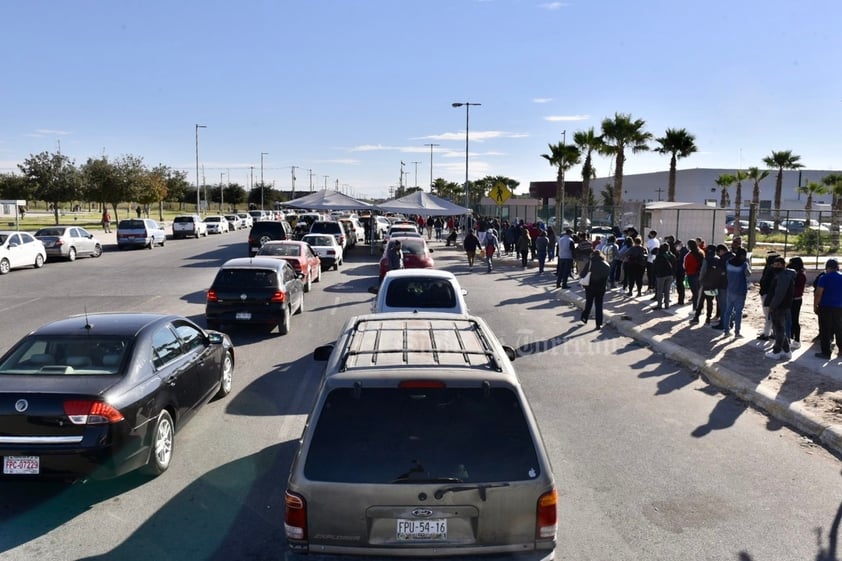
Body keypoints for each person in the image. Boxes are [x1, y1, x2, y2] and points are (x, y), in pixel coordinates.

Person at [765, 256, 795, 360]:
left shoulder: (782, 276)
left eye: (778, 265)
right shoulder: (784, 275)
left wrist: (773, 305)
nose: (775, 266)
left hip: (779, 306)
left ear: (783, 265)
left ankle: (777, 351)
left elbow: (779, 294)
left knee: (778, 329)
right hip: (783, 305)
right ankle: (786, 350)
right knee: (780, 328)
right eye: (774, 264)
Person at [814, 258, 842, 360]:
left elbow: (818, 294)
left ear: (827, 267)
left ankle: (826, 352)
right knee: (839, 328)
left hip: (826, 306)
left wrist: (815, 306)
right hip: (839, 307)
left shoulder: (824, 278)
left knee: (825, 329)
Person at [722, 248, 750, 338]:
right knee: (738, 312)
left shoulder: (728, 262)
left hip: (730, 290)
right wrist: (747, 263)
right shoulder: (743, 265)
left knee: (728, 311)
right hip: (740, 291)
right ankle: (737, 332)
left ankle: (726, 331)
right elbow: (748, 274)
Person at [580, 251, 611, 329]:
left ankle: (585, 317)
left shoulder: (590, 263)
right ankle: (599, 323)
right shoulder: (606, 264)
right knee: (599, 305)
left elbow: (582, 274)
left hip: (590, 287)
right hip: (601, 288)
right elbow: (607, 277)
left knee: (589, 303)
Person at [787, 257, 807, 350]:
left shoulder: (801, 275)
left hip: (796, 299)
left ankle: (797, 339)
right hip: (790, 299)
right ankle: (790, 337)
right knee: (789, 319)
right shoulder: (793, 273)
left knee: (795, 320)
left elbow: (798, 289)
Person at [652, 244, 676, 310]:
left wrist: (655, 273)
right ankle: (667, 305)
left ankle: (659, 305)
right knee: (667, 290)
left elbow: (655, 266)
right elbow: (674, 266)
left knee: (660, 291)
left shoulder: (659, 256)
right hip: (670, 275)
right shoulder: (671, 256)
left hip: (661, 275)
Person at [683, 239, 704, 312]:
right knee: (700, 293)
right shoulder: (701, 252)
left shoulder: (688, 255)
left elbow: (685, 266)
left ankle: (695, 308)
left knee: (695, 293)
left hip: (691, 275)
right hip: (700, 275)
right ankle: (701, 308)